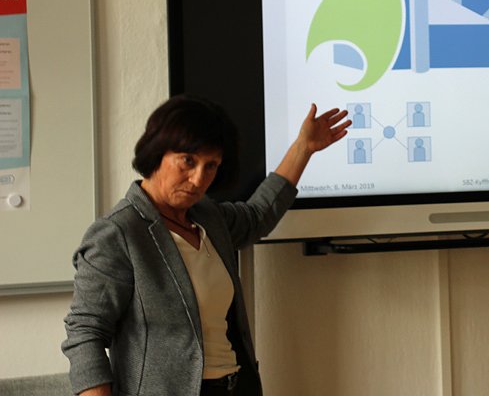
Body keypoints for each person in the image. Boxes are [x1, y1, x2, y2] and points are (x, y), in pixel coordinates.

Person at [61, 95, 350, 396]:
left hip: (235, 386)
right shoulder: (117, 233)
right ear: (157, 152)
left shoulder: (207, 217)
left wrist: (303, 148)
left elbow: (256, 216)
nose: (198, 179)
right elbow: (85, 334)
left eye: (211, 166)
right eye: (188, 161)